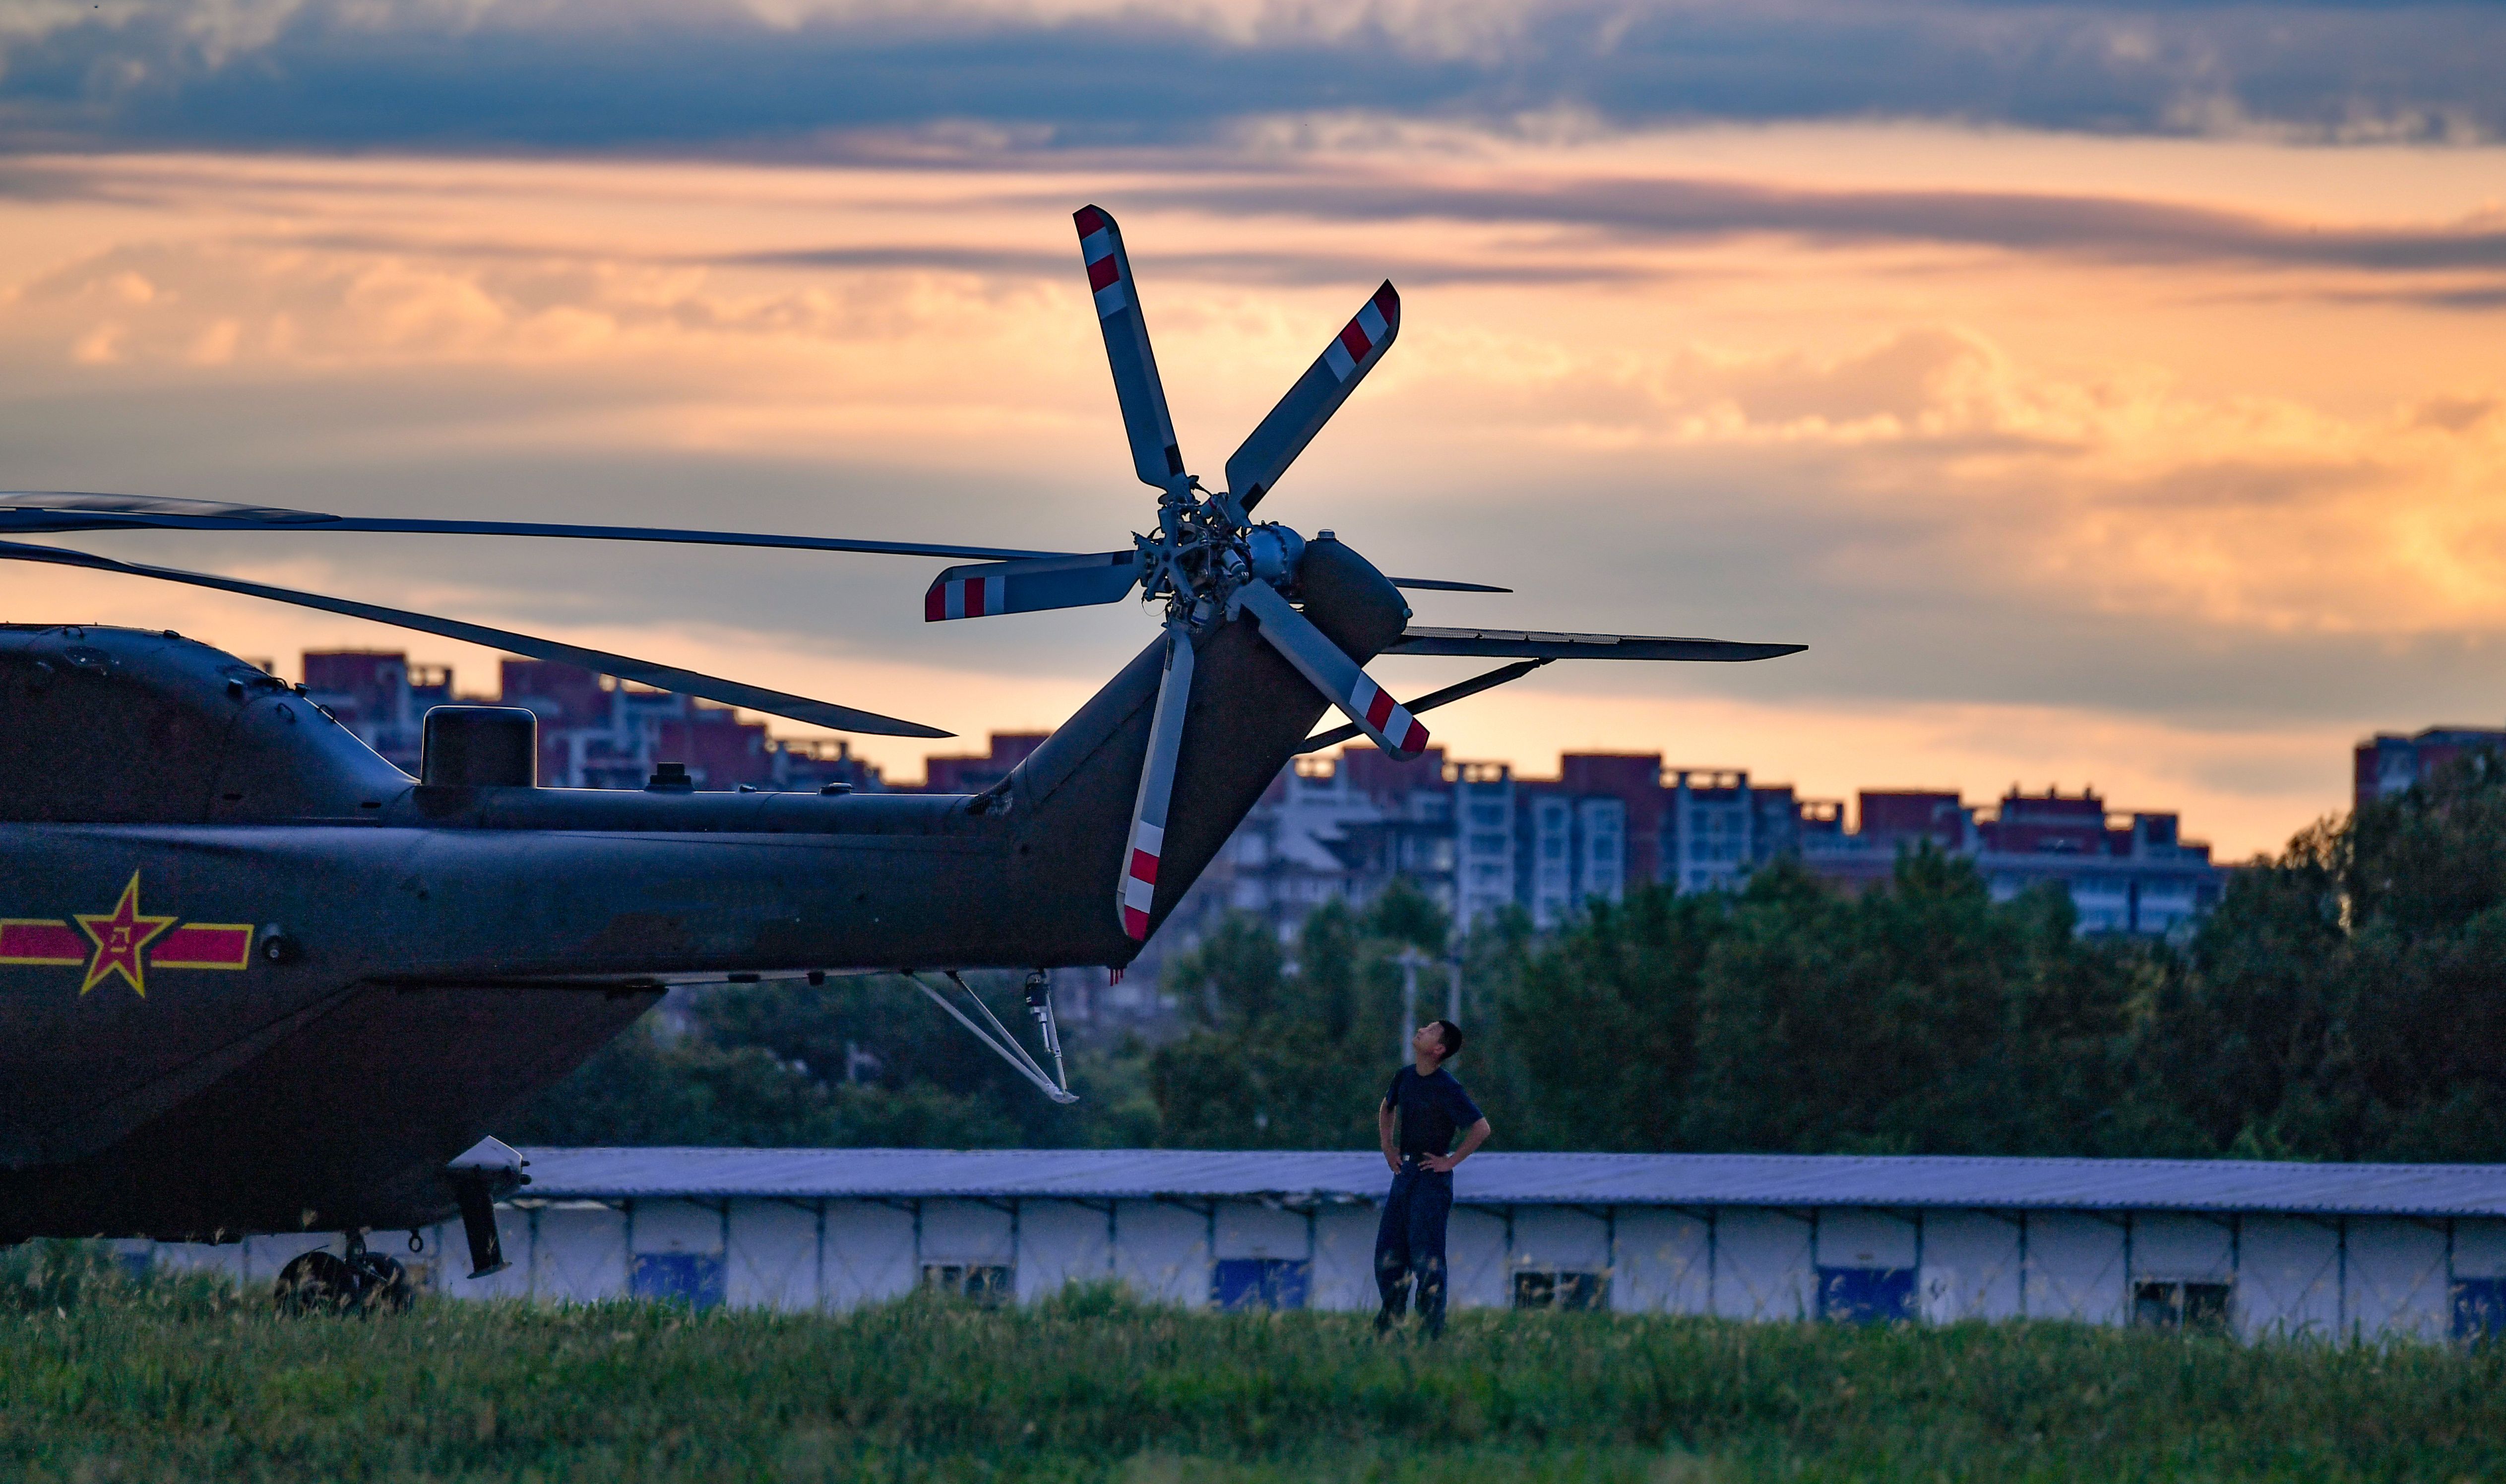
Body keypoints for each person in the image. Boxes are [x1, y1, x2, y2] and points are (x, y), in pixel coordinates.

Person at [1374, 1017, 1490, 1339]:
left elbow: (1481, 1128)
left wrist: (1450, 1161)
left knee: (1427, 1259)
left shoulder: (1448, 1087)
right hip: (1405, 1174)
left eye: (1430, 1030)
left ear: (1438, 1049)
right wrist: (1387, 1146)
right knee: (1388, 1255)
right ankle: (1391, 1326)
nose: (1421, 1030)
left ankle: (1431, 1332)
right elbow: (1387, 1107)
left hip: (1431, 1180)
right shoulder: (1405, 1077)